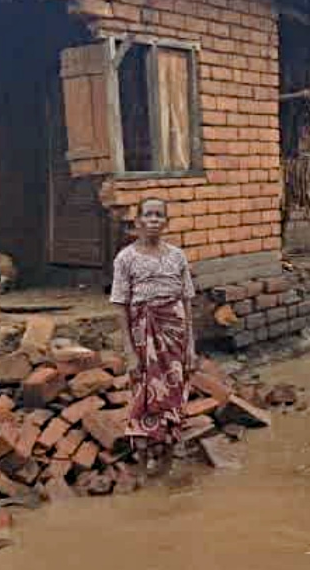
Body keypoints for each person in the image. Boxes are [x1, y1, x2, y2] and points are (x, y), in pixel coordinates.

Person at [110, 197, 196, 477]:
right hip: (141, 336)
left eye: (160, 215)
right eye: (149, 214)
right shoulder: (126, 258)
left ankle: (170, 448)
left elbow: (186, 301)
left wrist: (191, 346)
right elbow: (120, 305)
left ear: (166, 222)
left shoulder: (177, 256)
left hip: (175, 335)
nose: (155, 219)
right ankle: (145, 453)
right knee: (144, 393)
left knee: (173, 390)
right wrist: (130, 352)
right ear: (138, 222)